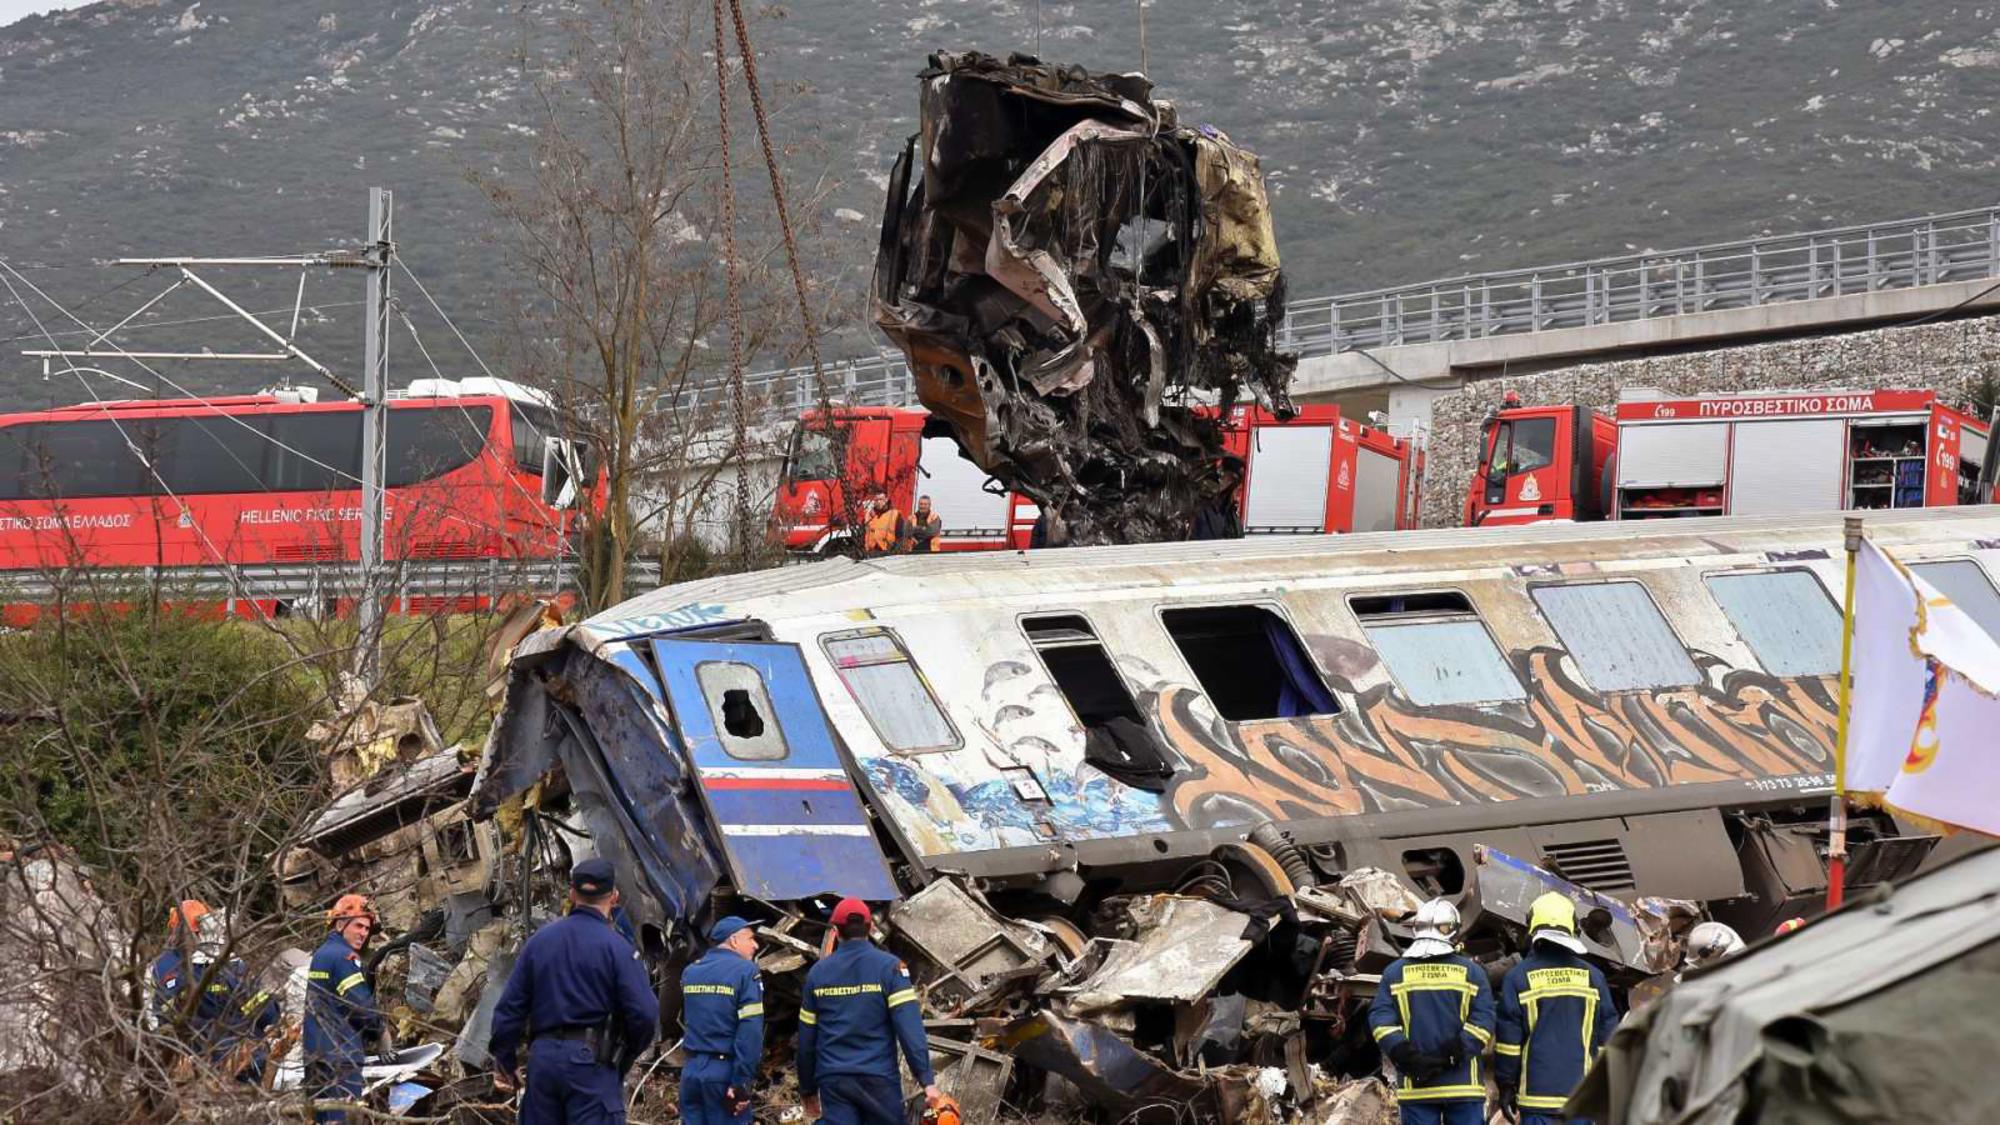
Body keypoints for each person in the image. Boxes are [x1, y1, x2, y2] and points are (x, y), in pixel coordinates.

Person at [489, 858, 660, 1124]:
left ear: (572, 894)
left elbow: (509, 1009)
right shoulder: (618, 949)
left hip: (543, 1064)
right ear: (614, 896)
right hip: (591, 1068)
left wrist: (505, 1061)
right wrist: (622, 1058)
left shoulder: (539, 943)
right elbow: (645, 1013)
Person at [797, 898, 942, 1125]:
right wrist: (926, 1080)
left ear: (835, 931)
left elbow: (806, 1040)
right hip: (878, 1080)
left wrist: (807, 1089)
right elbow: (909, 1030)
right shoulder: (891, 968)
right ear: (871, 927)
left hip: (834, 1081)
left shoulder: (817, 974)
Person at [1494, 894, 1620, 1124]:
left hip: (1536, 1098)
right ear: (1572, 928)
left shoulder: (1518, 977)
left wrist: (1506, 1086)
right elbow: (1608, 1039)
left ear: (1532, 927)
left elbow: (1508, 1045)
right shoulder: (1594, 977)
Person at [1368, 899, 1495, 1125]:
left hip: (1417, 1088)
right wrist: (1455, 1052)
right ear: (1454, 932)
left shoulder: (1394, 973)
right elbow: (1484, 1020)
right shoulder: (1473, 973)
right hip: (1463, 1086)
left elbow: (1380, 1020)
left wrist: (1404, 1053)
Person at [149, 899, 280, 1076]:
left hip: (197, 1061)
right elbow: (266, 1013)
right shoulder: (232, 968)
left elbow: (163, 1016)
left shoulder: (166, 967)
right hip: (241, 1061)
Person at [304, 894, 383, 1123]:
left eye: (366, 928)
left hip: (316, 1055)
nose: (363, 933)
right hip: (341, 1057)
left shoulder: (321, 955)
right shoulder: (344, 957)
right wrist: (379, 1030)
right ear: (340, 924)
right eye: (358, 925)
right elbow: (360, 1005)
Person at [678, 916, 765, 1125]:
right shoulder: (746, 972)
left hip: (691, 1073)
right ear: (734, 940)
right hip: (724, 1075)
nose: (756, 945)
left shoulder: (691, 972)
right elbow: (750, 1031)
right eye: (751, 939)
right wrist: (741, 1082)